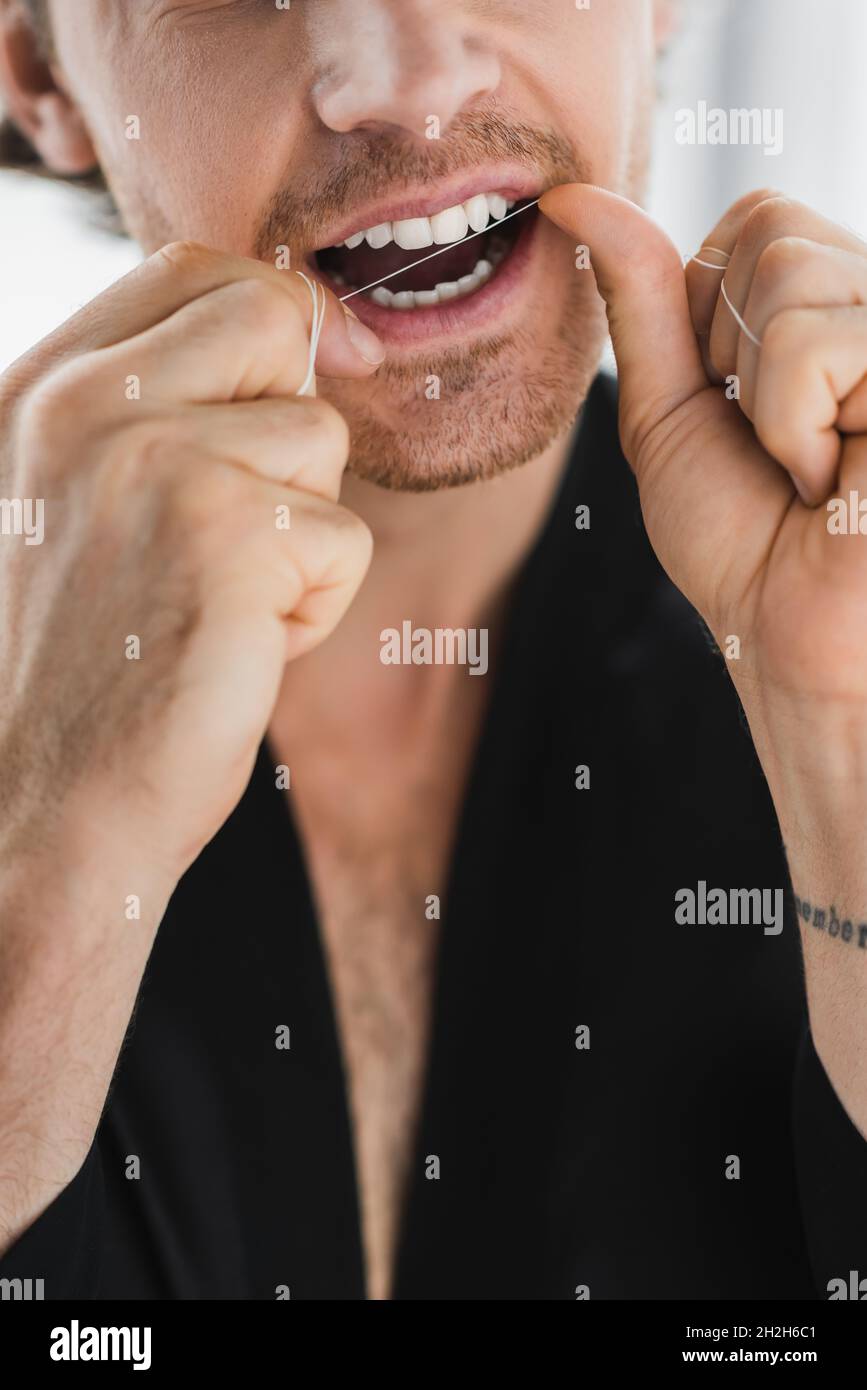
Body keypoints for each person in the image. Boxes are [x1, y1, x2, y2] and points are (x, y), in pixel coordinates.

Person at [0, 0, 865, 1302]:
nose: (408, 80)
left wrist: (845, 747)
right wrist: (42, 868)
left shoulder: (831, 631)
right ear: (37, 72)